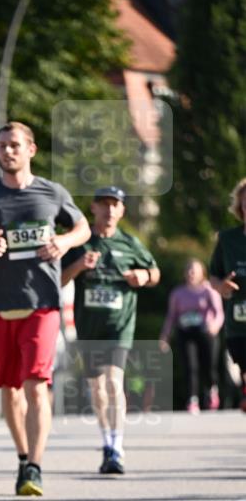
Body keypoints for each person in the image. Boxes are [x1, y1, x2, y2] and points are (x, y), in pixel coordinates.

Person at [0, 121, 90, 497]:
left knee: (36, 383)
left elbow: (82, 228)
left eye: (15, 145)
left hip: (42, 303)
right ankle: (22, 456)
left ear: (31, 149)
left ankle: (34, 464)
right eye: (2, 145)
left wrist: (65, 242)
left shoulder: (52, 193)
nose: (7, 151)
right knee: (9, 387)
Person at [61, 186, 159, 474]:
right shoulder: (81, 241)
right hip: (90, 326)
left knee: (114, 381)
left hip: (120, 326)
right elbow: (60, 280)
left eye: (115, 205)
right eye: (104, 204)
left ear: (122, 210)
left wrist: (144, 275)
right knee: (97, 388)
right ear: (93, 208)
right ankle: (106, 441)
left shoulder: (130, 242)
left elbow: (155, 273)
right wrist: (78, 265)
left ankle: (117, 446)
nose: (109, 210)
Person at [159, 260, 223, 414]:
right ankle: (192, 400)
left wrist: (214, 326)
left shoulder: (209, 290)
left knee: (209, 367)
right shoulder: (178, 293)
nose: (191, 274)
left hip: (205, 333)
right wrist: (164, 336)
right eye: (188, 270)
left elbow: (219, 313)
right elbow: (171, 317)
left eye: (194, 271)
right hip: (185, 333)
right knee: (190, 366)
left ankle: (211, 391)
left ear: (202, 273)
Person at [209, 176, 246, 412]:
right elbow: (213, 275)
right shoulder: (227, 239)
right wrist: (221, 287)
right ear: (240, 206)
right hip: (239, 324)